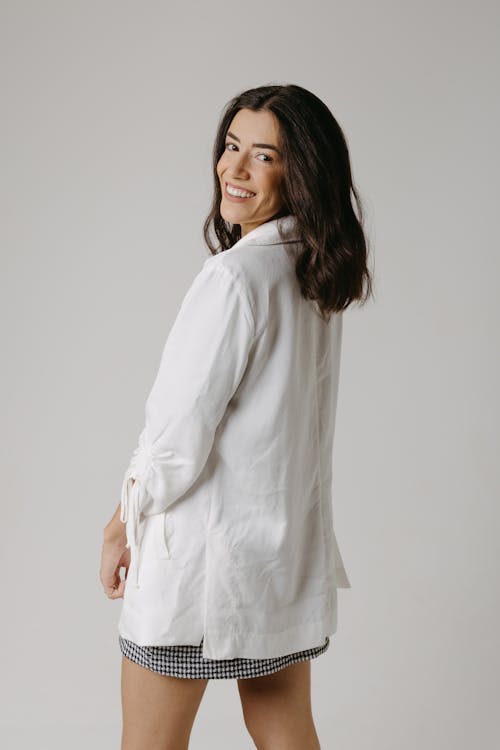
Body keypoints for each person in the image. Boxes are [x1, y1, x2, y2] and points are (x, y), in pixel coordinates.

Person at [100, 83, 373, 750]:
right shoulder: (310, 272)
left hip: (198, 572)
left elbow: (176, 437)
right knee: (285, 731)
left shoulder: (235, 278)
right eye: (230, 147)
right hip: (277, 565)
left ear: (301, 171)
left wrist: (121, 520)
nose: (235, 169)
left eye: (265, 157)